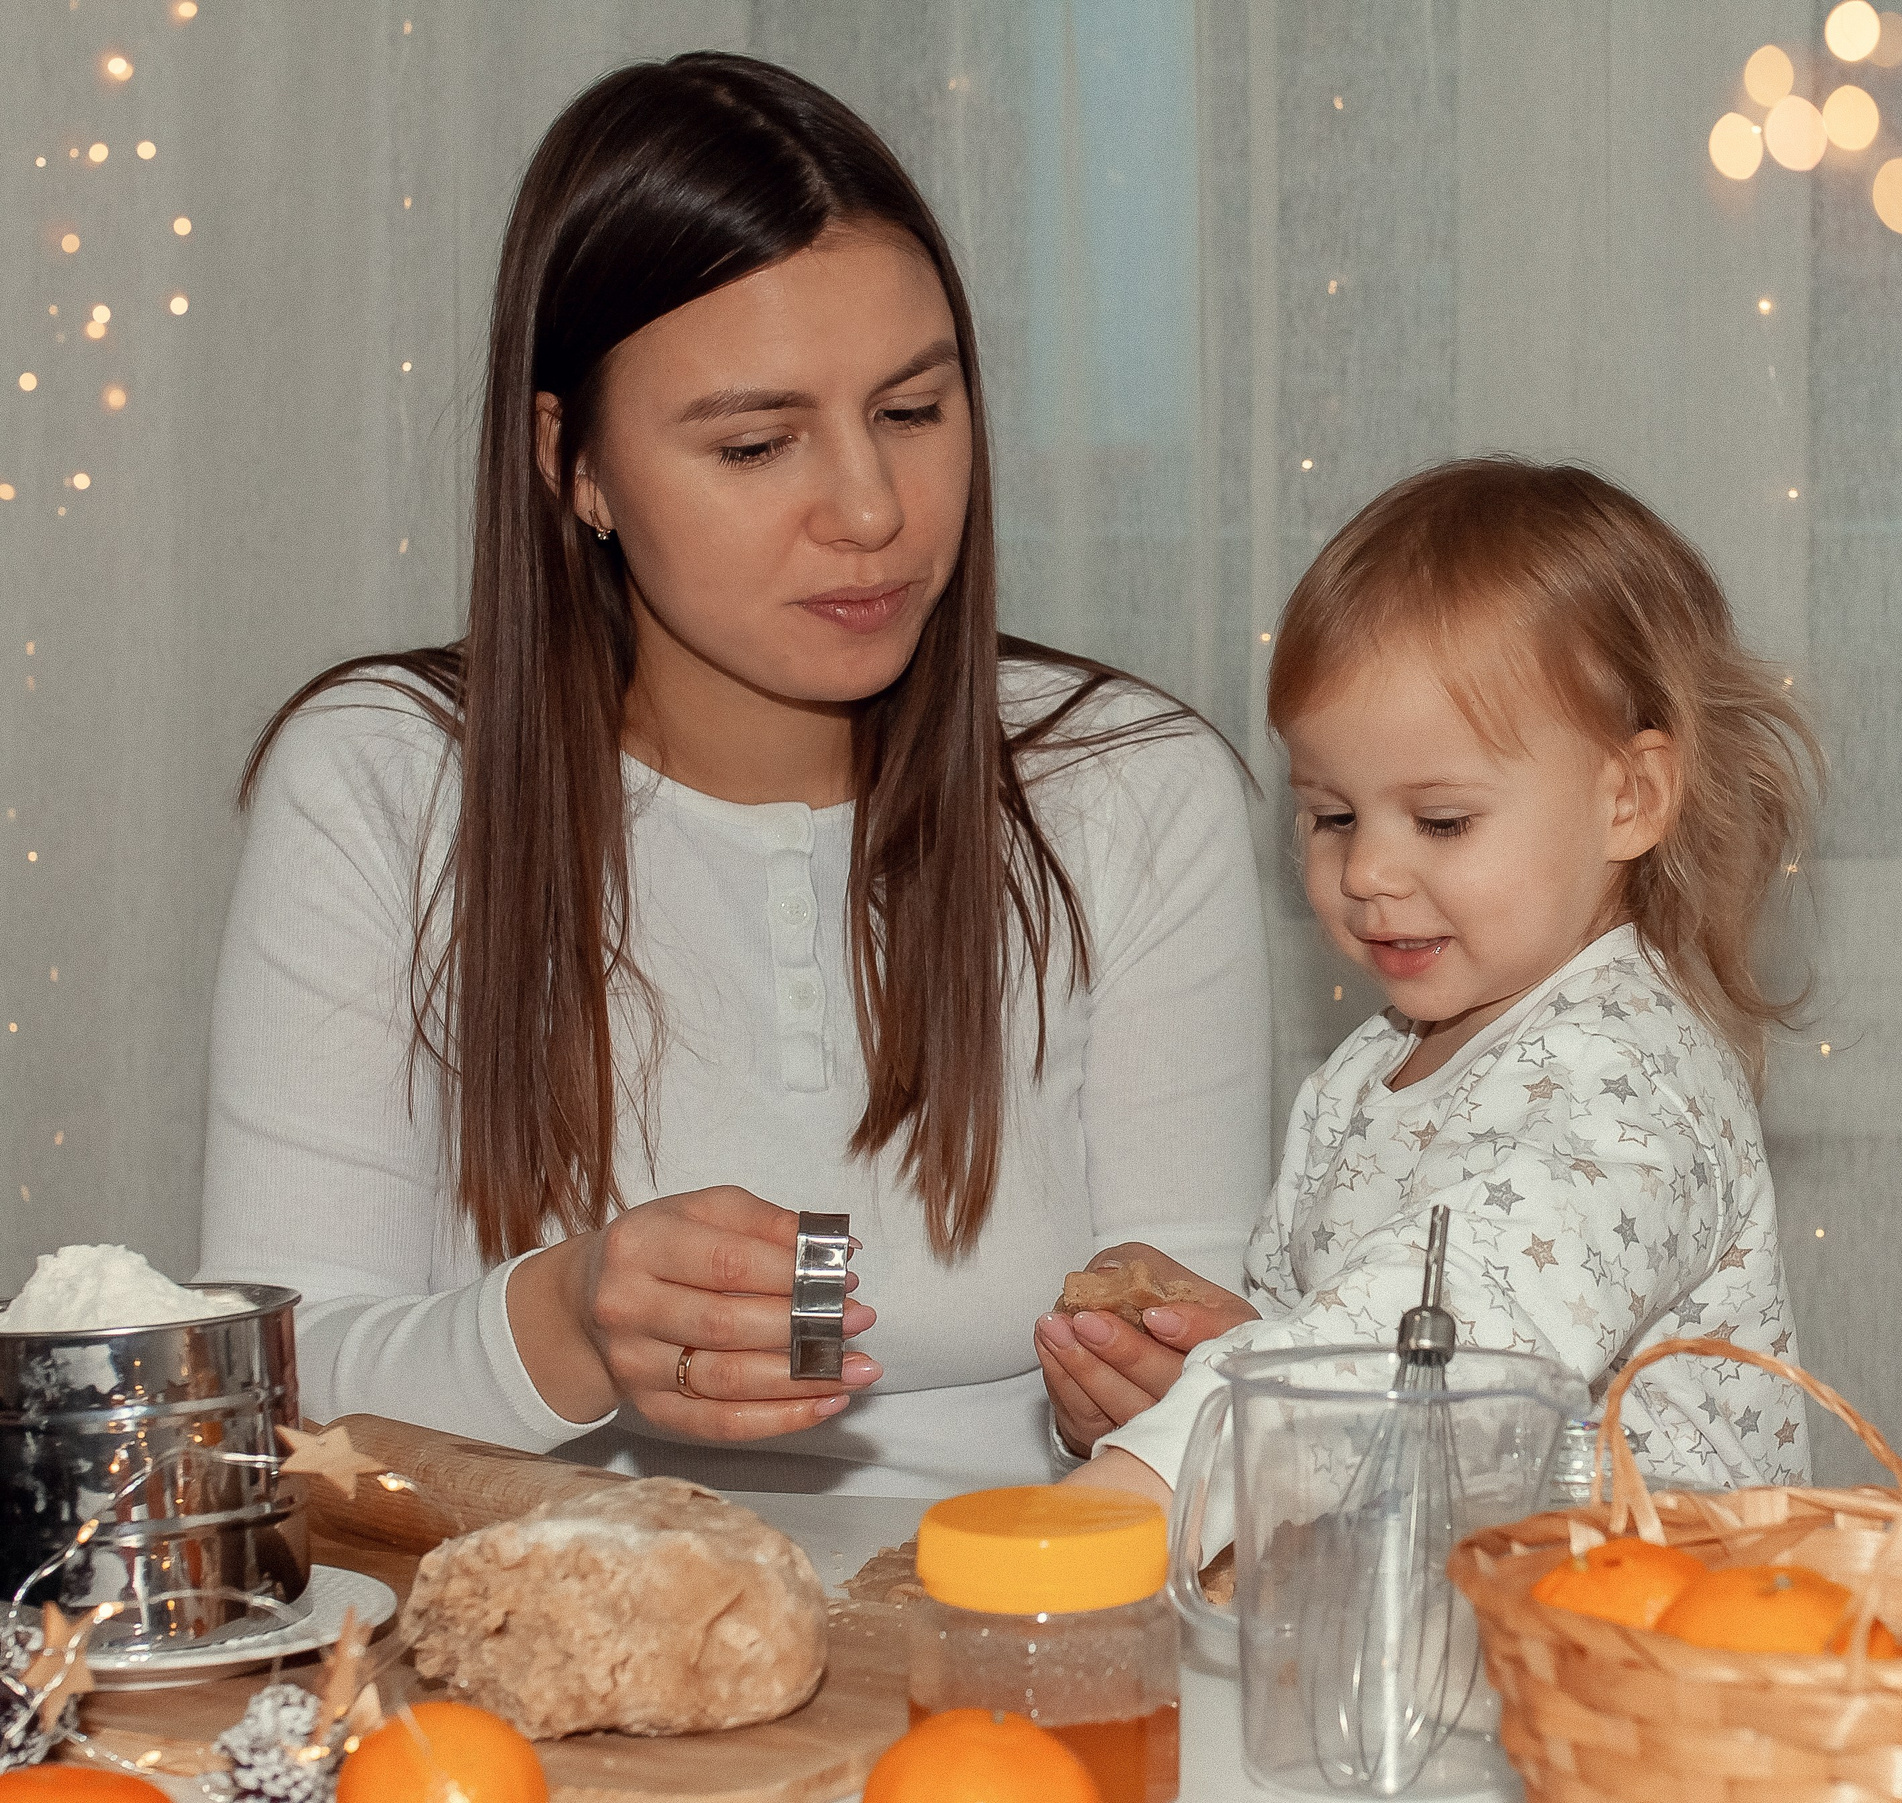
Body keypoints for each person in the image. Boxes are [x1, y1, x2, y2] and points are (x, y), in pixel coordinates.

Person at [194, 53, 1269, 1498]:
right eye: (758, 442)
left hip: (1021, 1636)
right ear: (570, 461)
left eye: (913, 411)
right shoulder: (385, 786)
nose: (874, 510)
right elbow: (261, 1392)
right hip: (533, 1644)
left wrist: (1158, 1393)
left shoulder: (1128, 785)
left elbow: (1208, 1389)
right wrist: (562, 1322)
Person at [1042, 458, 1819, 1506]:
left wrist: (1153, 1478)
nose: (1365, 873)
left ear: (1629, 798)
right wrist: (1178, 1384)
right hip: (1429, 1617)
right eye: (1333, 815)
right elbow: (1336, 1361)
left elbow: (1454, 1329)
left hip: (1641, 1636)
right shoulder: (1370, 1068)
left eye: (1441, 821)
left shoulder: (1632, 1079)